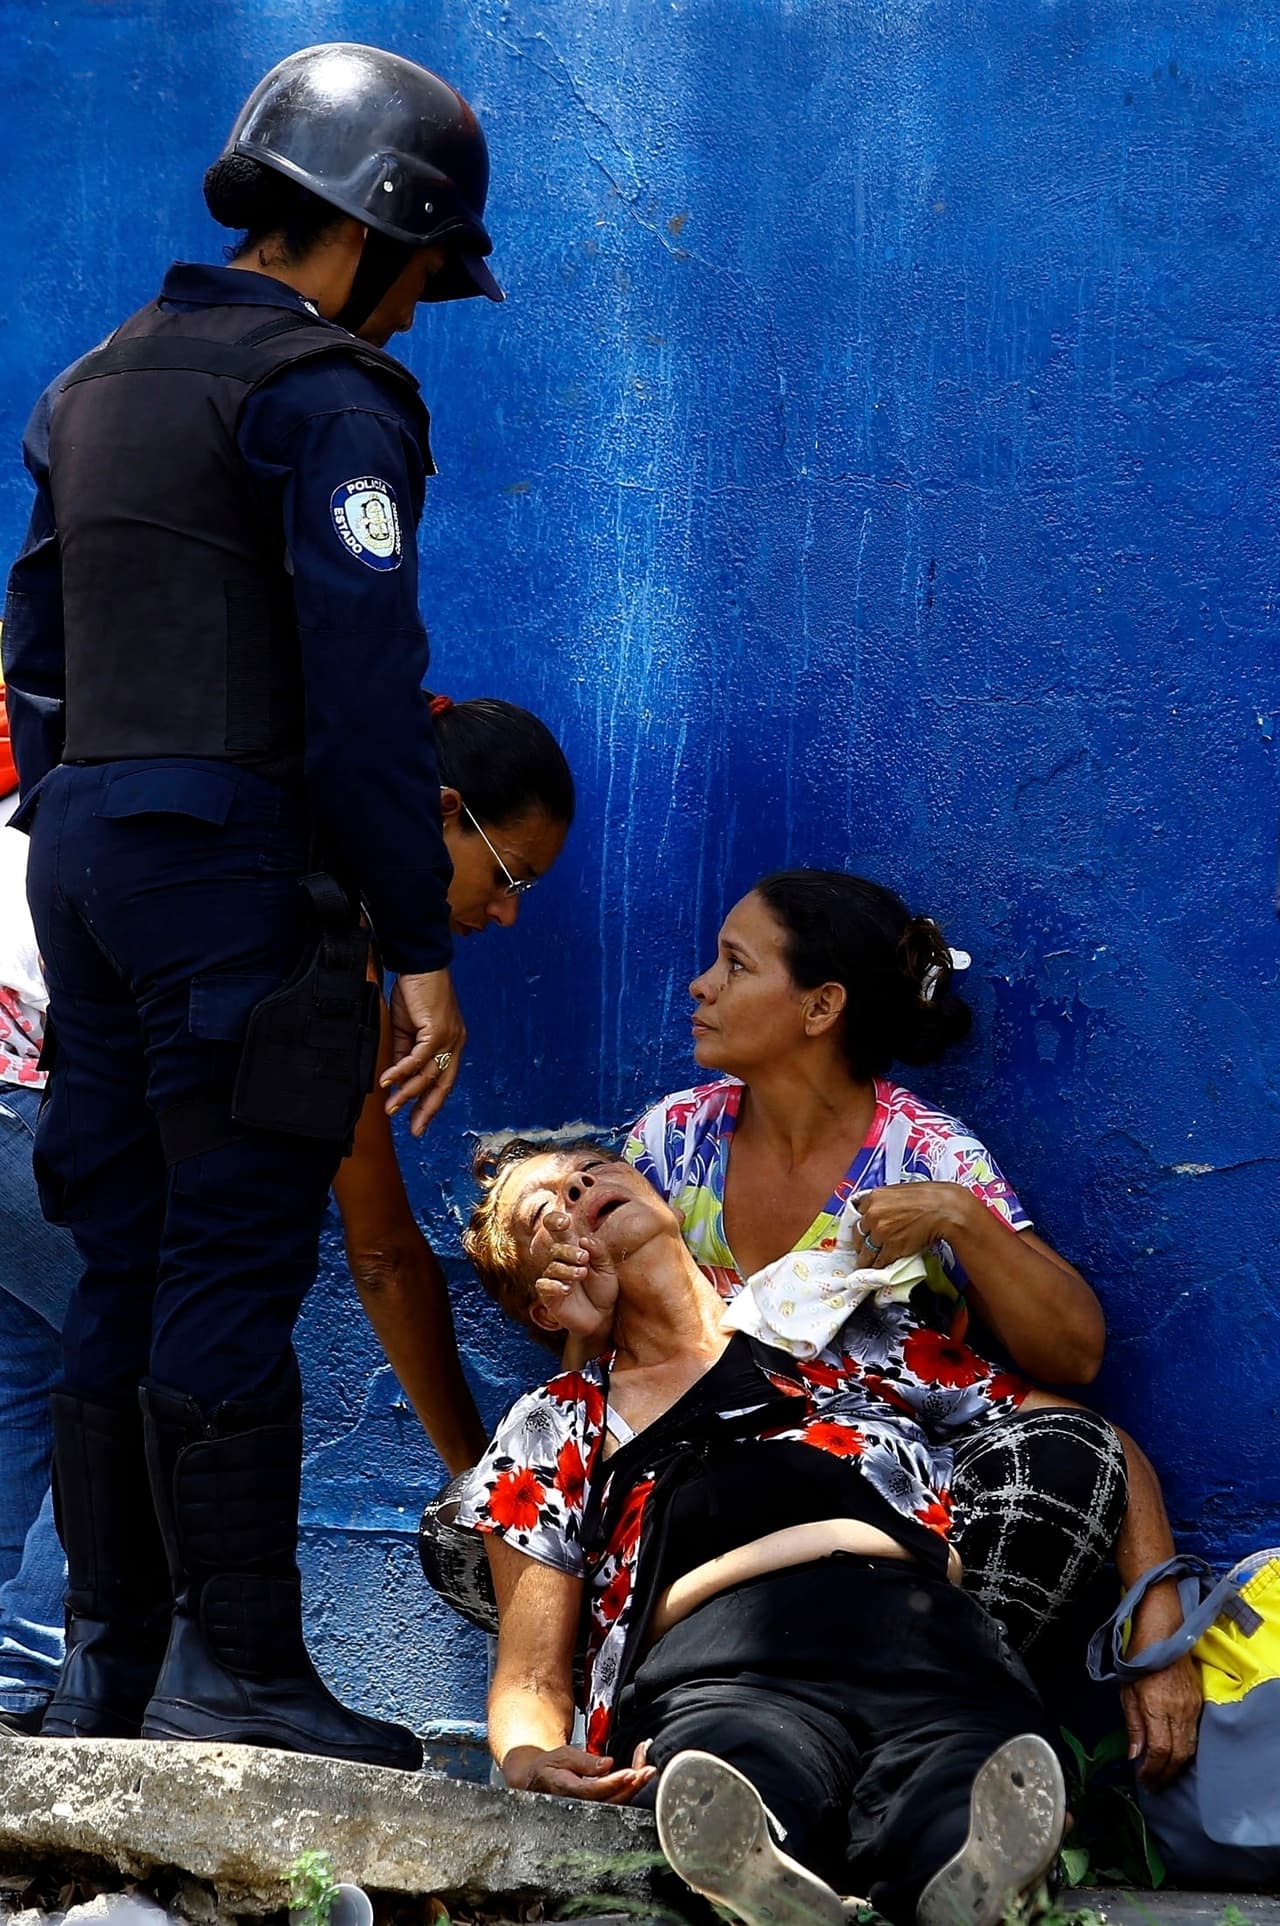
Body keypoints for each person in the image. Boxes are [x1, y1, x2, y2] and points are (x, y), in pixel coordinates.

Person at [1, 42, 505, 1768]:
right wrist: (417, 947)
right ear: (373, 230)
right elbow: (367, 696)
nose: (422, 312)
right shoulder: (327, 396)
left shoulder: (90, 384)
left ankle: (103, 1671)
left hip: (78, 852)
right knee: (232, 1249)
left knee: (121, 1257)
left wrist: (93, 822)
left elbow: (40, 666)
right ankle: (241, 1668)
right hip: (232, 861)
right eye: (428, 270)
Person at [535, 869, 1200, 1787]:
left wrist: (963, 1218)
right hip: (711, 1532)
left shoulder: (923, 1154)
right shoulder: (670, 1142)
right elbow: (598, 1396)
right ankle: (709, 1752)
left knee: (1064, 1459)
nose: (701, 985)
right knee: (474, 1526)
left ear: (821, 1007)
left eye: (734, 964)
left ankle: (914, 1750)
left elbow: (1074, 1358)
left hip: (883, 1538)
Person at [455, 1140, 1068, 1926]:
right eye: (550, 1212)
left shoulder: (843, 1328)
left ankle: (969, 1874)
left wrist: (1155, 1608)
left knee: (964, 1795)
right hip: (720, 1670)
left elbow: (1070, 1431)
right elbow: (531, 1677)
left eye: (593, 1170)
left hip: (927, 1641)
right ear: (543, 1303)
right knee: (735, 1781)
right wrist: (532, 1760)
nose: (580, 1185)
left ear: (665, 1198)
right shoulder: (560, 1419)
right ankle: (758, 1885)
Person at [335, 692, 575, 1477]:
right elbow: (382, 1258)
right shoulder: (324, 942)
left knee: (36, 1405)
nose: (505, 913)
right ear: (441, 812)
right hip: (32, 1105)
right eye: (509, 875)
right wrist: (476, 1478)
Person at [0, 823, 80, 1733]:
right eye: (510, 876)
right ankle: (33, 1659)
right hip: (17, 1085)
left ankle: (16, 1678)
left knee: (27, 1372)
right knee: (154, 1355)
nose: (500, 910)